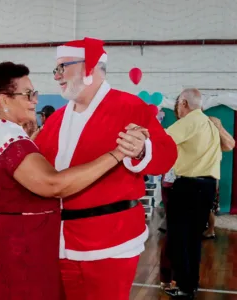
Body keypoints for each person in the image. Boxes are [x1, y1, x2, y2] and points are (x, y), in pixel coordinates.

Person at [0, 61, 137, 299]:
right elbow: (54, 184)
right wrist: (117, 154)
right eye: (28, 94)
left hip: (3, 239)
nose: (34, 100)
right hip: (16, 248)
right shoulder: (11, 143)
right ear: (4, 99)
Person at [34, 37, 178, 300]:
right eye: (56, 69)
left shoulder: (129, 106)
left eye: (62, 67)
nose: (57, 76)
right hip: (57, 241)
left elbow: (167, 154)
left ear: (89, 67)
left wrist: (143, 149)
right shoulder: (56, 118)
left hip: (109, 243)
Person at [164, 88, 222, 298]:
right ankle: (191, 284)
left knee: (179, 239)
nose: (177, 108)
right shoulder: (210, 124)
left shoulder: (189, 122)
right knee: (193, 239)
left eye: (178, 103)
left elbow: (162, 140)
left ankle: (184, 287)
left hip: (187, 186)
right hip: (207, 186)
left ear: (184, 104)